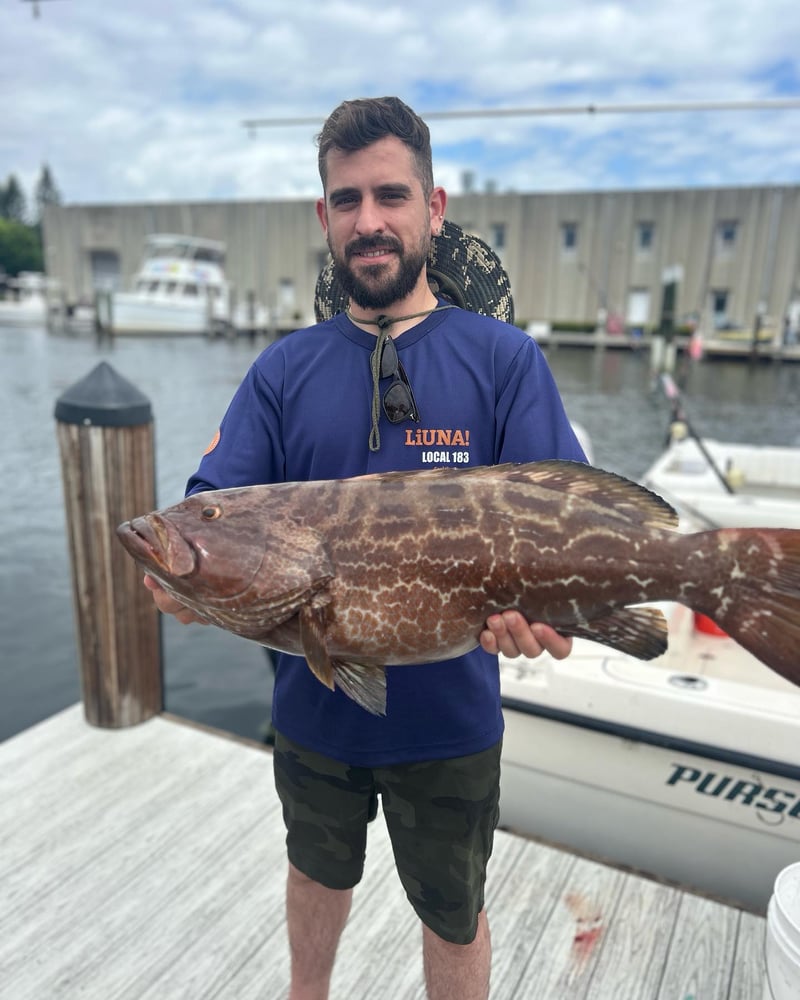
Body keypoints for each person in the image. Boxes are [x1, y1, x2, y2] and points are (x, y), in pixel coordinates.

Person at [145, 96, 586, 1000]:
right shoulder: (281, 370)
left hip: (452, 718)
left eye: (391, 195)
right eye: (347, 200)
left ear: (436, 207)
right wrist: (181, 579)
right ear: (324, 217)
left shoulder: (505, 361)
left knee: (452, 912)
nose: (370, 220)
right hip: (313, 712)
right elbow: (210, 516)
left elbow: (564, 519)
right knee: (315, 875)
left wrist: (558, 613)